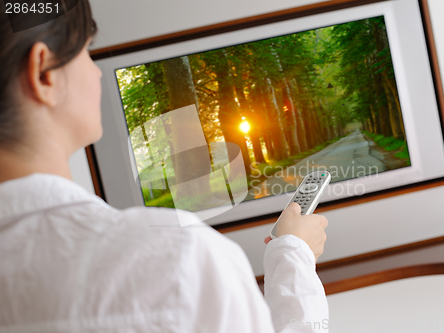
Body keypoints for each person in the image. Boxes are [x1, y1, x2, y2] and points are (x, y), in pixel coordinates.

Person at [0, 1, 329, 332]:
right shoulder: (180, 260)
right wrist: (293, 256)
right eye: (87, 50)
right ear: (45, 73)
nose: (97, 70)